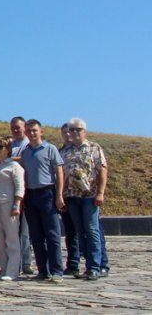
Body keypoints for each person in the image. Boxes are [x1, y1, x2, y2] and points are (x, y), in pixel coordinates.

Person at [60, 117, 108, 280]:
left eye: (78, 130)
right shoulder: (65, 151)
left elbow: (102, 170)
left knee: (92, 230)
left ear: (84, 131)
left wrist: (100, 192)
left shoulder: (94, 148)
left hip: (89, 195)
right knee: (80, 232)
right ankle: (87, 266)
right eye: (71, 130)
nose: (74, 133)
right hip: (72, 196)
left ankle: (95, 266)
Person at [20, 119, 65, 282]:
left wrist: (59, 195)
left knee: (52, 234)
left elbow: (59, 172)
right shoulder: (25, 152)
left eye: (34, 130)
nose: (31, 134)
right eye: (29, 131)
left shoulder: (50, 149)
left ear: (41, 131)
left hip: (47, 192)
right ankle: (43, 270)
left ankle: (57, 270)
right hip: (31, 195)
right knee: (36, 235)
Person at [0, 137, 24, 281]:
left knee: (11, 238)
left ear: (8, 149)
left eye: (0, 147)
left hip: (9, 204)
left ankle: (13, 271)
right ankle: (4, 269)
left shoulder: (14, 166)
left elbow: (20, 186)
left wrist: (17, 204)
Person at [7, 116, 34, 275]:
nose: (15, 130)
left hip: (26, 190)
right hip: (10, 191)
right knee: (12, 231)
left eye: (18, 127)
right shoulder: (10, 144)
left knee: (25, 231)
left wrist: (10, 159)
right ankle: (14, 263)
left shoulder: (28, 144)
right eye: (13, 128)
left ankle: (26, 262)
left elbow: (25, 160)